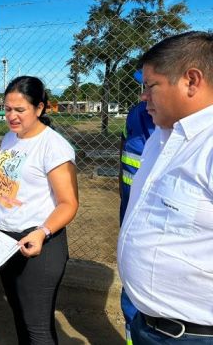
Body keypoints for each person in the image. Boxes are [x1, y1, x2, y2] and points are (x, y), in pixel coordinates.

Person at [117, 31, 213, 344]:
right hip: (148, 325)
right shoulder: (161, 138)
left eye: (150, 86)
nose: (142, 96)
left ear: (191, 81)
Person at [0, 76, 79, 344]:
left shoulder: (53, 146)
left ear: (39, 108)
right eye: (7, 109)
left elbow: (69, 203)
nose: (12, 116)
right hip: (5, 239)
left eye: (20, 110)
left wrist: (42, 232)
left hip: (39, 241)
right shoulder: (10, 138)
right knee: (19, 315)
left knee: (38, 327)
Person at [118, 70, 155, 345]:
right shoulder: (137, 115)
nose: (143, 95)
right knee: (133, 289)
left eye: (153, 86)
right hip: (132, 218)